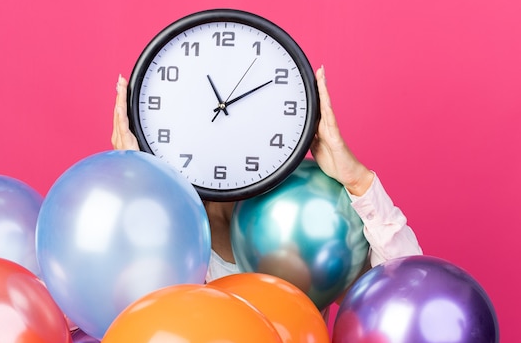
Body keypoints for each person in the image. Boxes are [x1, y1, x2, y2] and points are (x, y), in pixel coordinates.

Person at [111, 65, 422, 285]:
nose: (225, 127)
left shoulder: (307, 212)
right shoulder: (164, 223)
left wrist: (357, 180)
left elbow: (407, 289)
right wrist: (142, 188)